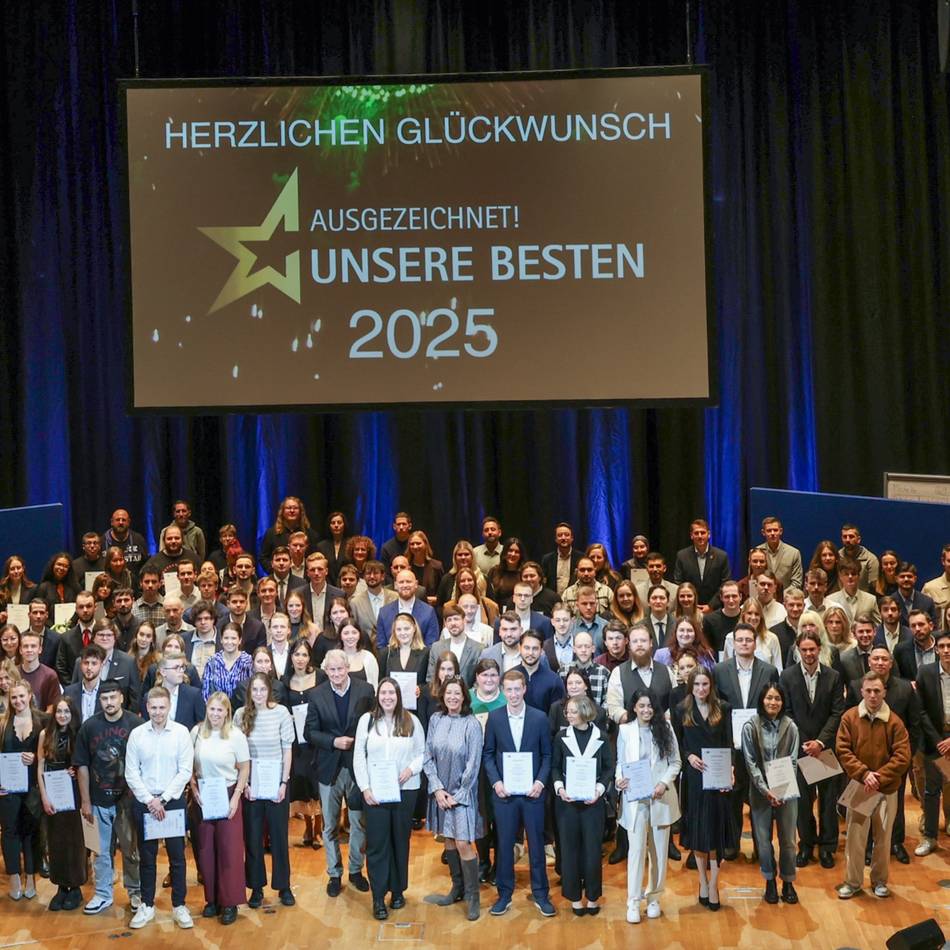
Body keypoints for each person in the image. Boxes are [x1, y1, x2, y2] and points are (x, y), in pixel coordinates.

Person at [483, 668, 555, 917]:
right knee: (504, 845)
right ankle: (504, 894)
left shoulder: (539, 717)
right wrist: (496, 782)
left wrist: (540, 782)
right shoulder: (495, 718)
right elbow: (489, 754)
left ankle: (541, 894)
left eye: (517, 689)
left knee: (536, 845)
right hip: (505, 794)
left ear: (524, 689)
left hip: (532, 794)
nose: (513, 694)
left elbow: (547, 755)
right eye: (509, 689)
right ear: (503, 691)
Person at [304, 649, 375, 896]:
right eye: (331, 670)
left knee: (359, 823)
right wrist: (334, 741)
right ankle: (334, 874)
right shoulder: (316, 695)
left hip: (358, 769)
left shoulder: (365, 690)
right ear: (326, 670)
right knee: (330, 826)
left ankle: (356, 870)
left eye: (340, 668)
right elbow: (309, 733)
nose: (336, 673)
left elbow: (373, 726)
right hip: (328, 768)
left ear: (348, 668)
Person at [354, 677, 425, 919]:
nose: (387, 697)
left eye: (391, 693)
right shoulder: (367, 721)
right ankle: (378, 897)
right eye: (383, 693)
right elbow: (359, 758)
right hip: (375, 793)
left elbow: (422, 753)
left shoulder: (411, 720)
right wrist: (365, 788)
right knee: (376, 845)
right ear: (378, 696)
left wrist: (411, 770)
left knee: (399, 841)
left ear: (398, 696)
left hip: (405, 791)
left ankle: (397, 891)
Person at [125, 685, 195, 930]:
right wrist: (150, 801)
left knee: (177, 857)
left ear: (169, 707)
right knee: (147, 857)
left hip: (172, 801)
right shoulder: (137, 735)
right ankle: (147, 905)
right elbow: (131, 772)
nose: (157, 712)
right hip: (145, 802)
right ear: (147, 708)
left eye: (161, 707)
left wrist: (163, 799)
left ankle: (179, 905)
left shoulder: (181, 733)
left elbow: (185, 770)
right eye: (153, 708)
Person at [835, 672, 911, 899]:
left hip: (886, 789)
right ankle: (853, 881)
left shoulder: (895, 722)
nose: (873, 695)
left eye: (877, 691)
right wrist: (863, 773)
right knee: (855, 839)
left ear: (884, 692)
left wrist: (877, 777)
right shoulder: (849, 718)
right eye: (868, 691)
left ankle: (879, 881)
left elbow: (902, 756)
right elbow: (843, 750)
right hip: (859, 787)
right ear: (861, 692)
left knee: (883, 838)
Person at [74, 679, 143, 914]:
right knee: (100, 851)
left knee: (131, 851)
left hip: (128, 801)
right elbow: (81, 765)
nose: (109, 702)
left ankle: (136, 892)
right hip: (98, 800)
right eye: (104, 698)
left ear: (122, 698)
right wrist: (85, 801)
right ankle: (103, 893)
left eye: (113, 697)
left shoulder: (136, 724)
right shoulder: (89, 726)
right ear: (99, 700)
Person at [672, 668, 737, 911]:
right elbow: (677, 743)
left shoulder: (724, 708)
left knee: (716, 831)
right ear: (691, 686)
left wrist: (730, 769)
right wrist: (688, 757)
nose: (701, 689)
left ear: (711, 686)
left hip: (718, 775)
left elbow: (729, 742)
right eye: (697, 684)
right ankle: (702, 881)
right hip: (694, 777)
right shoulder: (681, 709)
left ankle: (714, 885)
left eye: (705, 684)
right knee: (699, 831)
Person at [780, 629, 845, 869]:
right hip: (800, 749)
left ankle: (827, 847)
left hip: (825, 750)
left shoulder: (834, 676)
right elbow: (785, 712)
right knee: (803, 803)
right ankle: (806, 845)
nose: (808, 653)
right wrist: (807, 743)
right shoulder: (786, 677)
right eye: (804, 649)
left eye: (812, 649)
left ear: (819, 650)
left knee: (828, 802)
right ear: (798, 650)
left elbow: (837, 712)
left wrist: (820, 742)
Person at [713, 623, 779, 857]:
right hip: (730, 745)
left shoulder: (769, 671)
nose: (744, 643)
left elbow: (774, 706)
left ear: (755, 642)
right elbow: (716, 709)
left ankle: (763, 846)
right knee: (731, 795)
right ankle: (732, 843)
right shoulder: (720, 671)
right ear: (733, 643)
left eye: (748, 640)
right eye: (739, 640)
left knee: (760, 795)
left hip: (759, 744)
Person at [616, 689, 681, 923]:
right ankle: (633, 901)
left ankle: (654, 897)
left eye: (650, 706)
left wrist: (664, 783)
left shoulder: (666, 728)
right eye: (641, 706)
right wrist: (618, 780)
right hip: (635, 800)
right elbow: (620, 763)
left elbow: (675, 762)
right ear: (634, 707)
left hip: (660, 797)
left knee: (659, 853)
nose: (646, 710)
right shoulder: (624, 731)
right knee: (636, 852)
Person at [423, 675, 485, 919]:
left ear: (464, 696)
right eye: (449, 693)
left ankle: (473, 896)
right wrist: (437, 789)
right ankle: (457, 888)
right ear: (443, 695)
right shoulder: (435, 719)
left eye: (457, 693)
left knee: (462, 843)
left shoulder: (471, 724)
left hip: (462, 795)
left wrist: (457, 795)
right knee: (448, 840)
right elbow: (428, 756)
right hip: (440, 793)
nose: (452, 697)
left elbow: (473, 764)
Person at [234, 672, 295, 908]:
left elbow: (287, 749)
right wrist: (244, 784)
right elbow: (238, 754)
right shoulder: (240, 715)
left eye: (262, 689)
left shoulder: (281, 713)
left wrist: (284, 782)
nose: (258, 694)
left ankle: (284, 886)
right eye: (254, 690)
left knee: (279, 837)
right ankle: (256, 887)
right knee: (253, 838)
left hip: (276, 784)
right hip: (251, 786)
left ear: (269, 690)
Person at [190, 691, 249, 925]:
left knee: (229, 850)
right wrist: (193, 787)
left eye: (220, 710)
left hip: (227, 793)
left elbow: (244, 768)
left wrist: (236, 797)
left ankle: (230, 902)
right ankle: (212, 900)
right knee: (205, 850)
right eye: (212, 709)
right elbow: (190, 767)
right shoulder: (196, 733)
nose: (215, 714)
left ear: (227, 712)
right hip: (204, 796)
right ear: (207, 709)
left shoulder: (235, 736)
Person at [552, 694, 614, 916]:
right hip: (567, 804)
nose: (568, 714)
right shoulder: (561, 736)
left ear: (585, 712)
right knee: (569, 850)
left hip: (592, 803)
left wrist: (598, 790)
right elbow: (555, 767)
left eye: (573, 711)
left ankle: (593, 896)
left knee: (592, 851)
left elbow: (608, 768)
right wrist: (560, 788)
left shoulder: (601, 737)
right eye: (567, 711)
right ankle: (575, 897)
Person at [741, 683, 800, 905]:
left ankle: (788, 881)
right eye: (769, 698)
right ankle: (769, 881)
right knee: (764, 841)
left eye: (777, 698)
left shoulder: (791, 726)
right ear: (761, 700)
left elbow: (793, 761)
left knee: (788, 841)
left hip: (786, 791)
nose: (773, 702)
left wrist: (781, 791)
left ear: (782, 702)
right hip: (760, 793)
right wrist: (766, 791)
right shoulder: (750, 726)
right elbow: (750, 763)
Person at [37, 696, 86, 910]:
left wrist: (74, 772)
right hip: (53, 793)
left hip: (73, 795)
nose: (62, 715)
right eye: (59, 711)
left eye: (66, 711)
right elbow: (40, 766)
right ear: (53, 713)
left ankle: (74, 887)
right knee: (55, 842)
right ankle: (60, 886)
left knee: (74, 842)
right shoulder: (45, 734)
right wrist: (44, 796)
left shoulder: (79, 734)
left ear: (72, 713)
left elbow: (84, 765)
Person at [0, 679, 43, 900]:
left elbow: (51, 752)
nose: (17, 700)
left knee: (30, 833)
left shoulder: (42, 721)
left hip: (34, 787)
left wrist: (36, 758)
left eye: (21, 696)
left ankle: (30, 876)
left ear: (29, 695)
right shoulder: (2, 723)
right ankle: (15, 876)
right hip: (8, 789)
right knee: (10, 831)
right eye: (13, 697)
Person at [913, 628, 950, 856]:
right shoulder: (925, 673)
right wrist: (939, 741)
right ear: (936, 649)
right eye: (943, 647)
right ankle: (929, 837)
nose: (947, 651)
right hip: (934, 741)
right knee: (932, 790)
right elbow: (921, 711)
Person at [283, 639, 321, 847]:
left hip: (316, 738)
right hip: (297, 741)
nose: (300, 658)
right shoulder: (285, 679)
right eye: (297, 654)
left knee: (317, 782)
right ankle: (308, 825)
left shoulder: (320, 676)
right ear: (291, 657)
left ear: (310, 657)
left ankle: (318, 829)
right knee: (302, 781)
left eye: (304, 654)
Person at [673, 519, 731, 610]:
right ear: (691, 536)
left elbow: (724, 584)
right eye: (696, 533)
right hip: (689, 608)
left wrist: (711, 606)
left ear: (709, 534)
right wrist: (690, 603)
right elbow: (678, 583)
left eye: (702, 533)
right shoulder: (682, 556)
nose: (700, 536)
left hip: (715, 610)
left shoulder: (721, 556)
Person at [376, 570, 440, 648]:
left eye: (408, 582)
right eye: (401, 582)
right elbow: (381, 646)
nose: (405, 585)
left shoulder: (428, 612)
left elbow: (432, 645)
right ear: (396, 585)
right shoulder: (384, 612)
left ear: (416, 584)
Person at [259, 497, 320, 575]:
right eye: (288, 508)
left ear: (301, 512)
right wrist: (275, 571)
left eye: (295, 508)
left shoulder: (311, 534)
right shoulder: (271, 533)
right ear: (282, 512)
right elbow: (263, 558)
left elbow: (316, 557)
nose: (292, 511)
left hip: (305, 579)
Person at [723, 599, 784, 671]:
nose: (753, 617)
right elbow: (726, 669)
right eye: (749, 613)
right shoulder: (730, 638)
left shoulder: (772, 638)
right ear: (743, 615)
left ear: (761, 617)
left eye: (757, 614)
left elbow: (778, 669)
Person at [201, 623, 253, 702]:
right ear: (221, 639)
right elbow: (206, 693)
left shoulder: (247, 661)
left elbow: (252, 690)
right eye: (226, 638)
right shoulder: (212, 662)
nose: (229, 642)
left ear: (240, 640)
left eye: (233, 638)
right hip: (217, 711)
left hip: (242, 711)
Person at [756, 516, 804, 591]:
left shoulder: (794, 553)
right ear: (763, 532)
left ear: (780, 531)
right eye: (769, 530)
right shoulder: (756, 553)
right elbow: (753, 578)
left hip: (786, 599)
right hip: (762, 597)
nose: (772, 533)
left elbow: (797, 582)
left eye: (775, 530)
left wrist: (782, 596)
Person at [541, 523, 582, 597]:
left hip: (575, 599)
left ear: (572, 538)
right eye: (560, 535)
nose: (563, 538)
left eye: (566, 535)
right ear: (556, 539)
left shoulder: (581, 558)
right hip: (553, 600)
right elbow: (543, 583)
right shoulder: (547, 559)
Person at [340, 619, 379, 689]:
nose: (350, 636)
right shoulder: (332, 658)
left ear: (359, 634)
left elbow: (375, 686)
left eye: (354, 633)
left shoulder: (369, 657)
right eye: (346, 633)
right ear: (340, 635)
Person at [488, 537, 528, 605]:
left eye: (517, 552)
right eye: (510, 550)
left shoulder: (525, 573)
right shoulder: (494, 571)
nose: (513, 554)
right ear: (505, 552)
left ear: (521, 555)